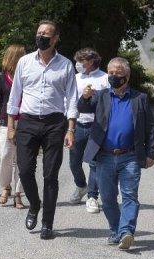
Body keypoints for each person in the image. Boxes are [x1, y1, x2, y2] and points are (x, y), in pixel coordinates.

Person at [7, 20, 79, 240]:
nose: (41, 37)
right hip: (28, 121)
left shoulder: (65, 65)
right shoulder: (25, 62)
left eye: (46, 34)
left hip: (54, 124)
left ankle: (47, 223)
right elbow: (15, 94)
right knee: (26, 170)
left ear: (55, 38)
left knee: (50, 174)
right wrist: (11, 125)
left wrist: (71, 129)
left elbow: (72, 99)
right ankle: (34, 204)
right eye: (39, 33)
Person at [82, 57, 154, 250]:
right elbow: (83, 108)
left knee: (130, 195)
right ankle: (115, 230)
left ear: (127, 75)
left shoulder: (139, 98)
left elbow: (150, 128)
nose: (113, 77)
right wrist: (85, 97)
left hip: (130, 156)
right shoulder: (100, 96)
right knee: (107, 198)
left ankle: (126, 231)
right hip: (104, 156)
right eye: (111, 73)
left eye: (118, 73)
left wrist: (150, 153)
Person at [69, 48, 109, 214]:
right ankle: (81, 186)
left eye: (81, 61)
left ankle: (92, 197)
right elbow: (69, 101)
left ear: (91, 61)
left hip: (97, 126)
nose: (78, 64)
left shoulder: (105, 78)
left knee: (94, 163)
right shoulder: (74, 78)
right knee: (74, 163)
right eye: (77, 60)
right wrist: (68, 127)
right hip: (77, 125)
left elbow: (108, 104)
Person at [0, 44, 26, 209]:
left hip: (25, 122)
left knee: (22, 161)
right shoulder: (1, 77)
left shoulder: (27, 76)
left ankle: (18, 194)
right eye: (22, 56)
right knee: (4, 157)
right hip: (5, 122)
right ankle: (5, 187)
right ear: (14, 58)